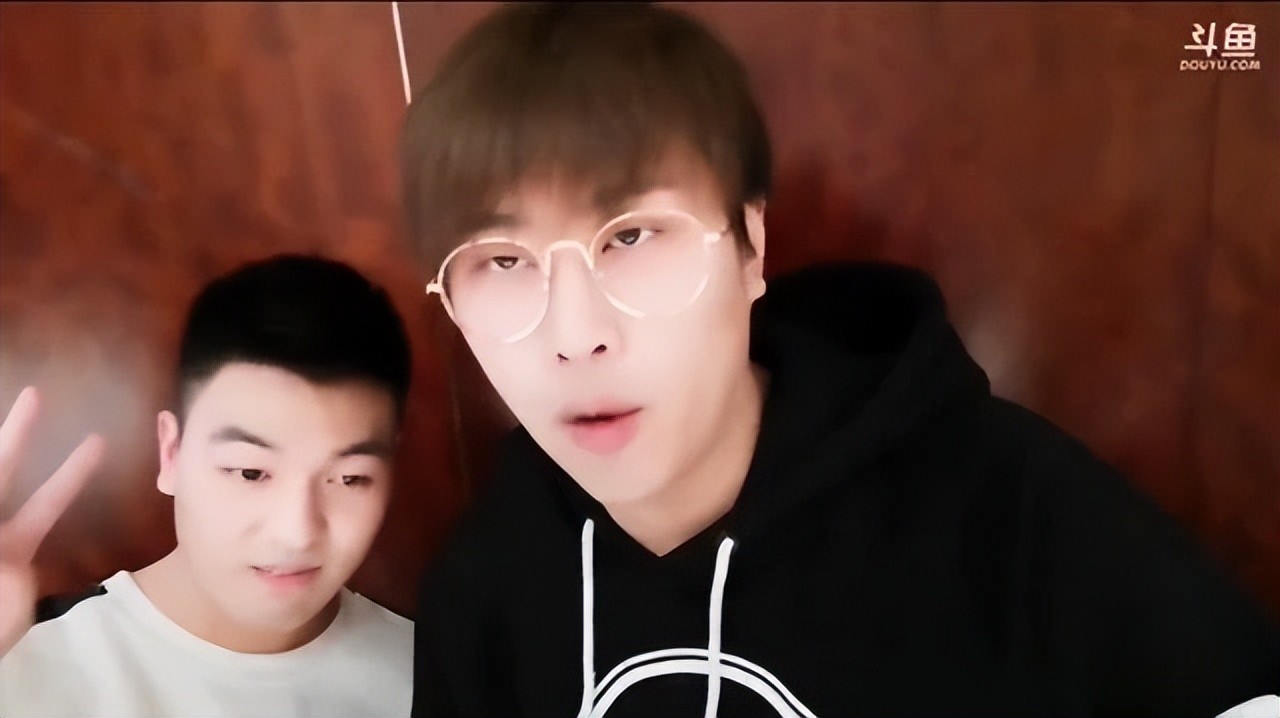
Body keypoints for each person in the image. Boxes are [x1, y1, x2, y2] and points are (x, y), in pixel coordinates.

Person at [398, 3, 1279, 716]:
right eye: (501, 261)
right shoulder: (484, 595)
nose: (574, 334)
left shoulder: (1005, 510)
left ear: (750, 248)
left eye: (631, 237)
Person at [0, 254, 415, 716]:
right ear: (171, 452)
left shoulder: (434, 677)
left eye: (350, 478)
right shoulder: (26, 657)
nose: (296, 533)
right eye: (251, 472)